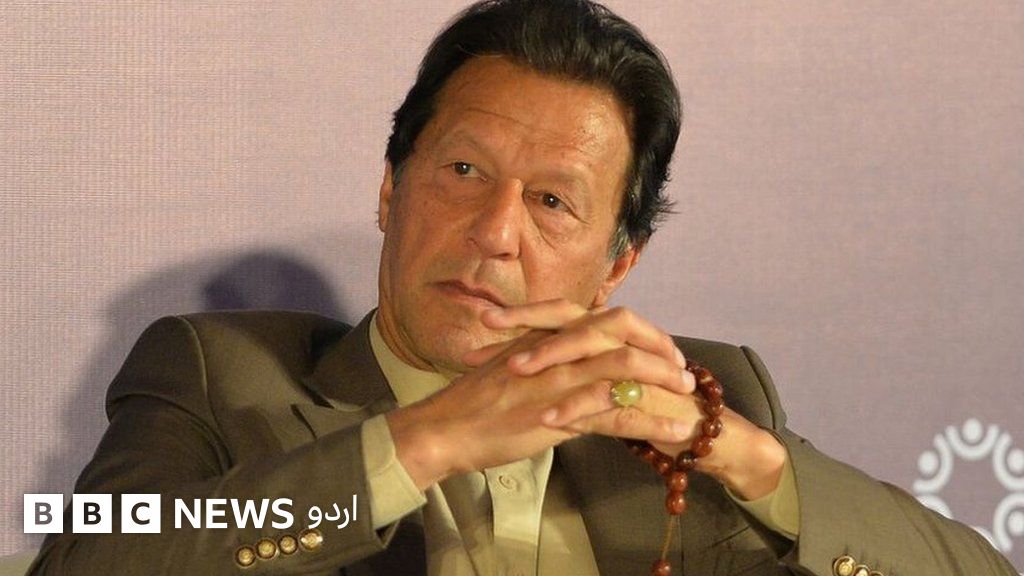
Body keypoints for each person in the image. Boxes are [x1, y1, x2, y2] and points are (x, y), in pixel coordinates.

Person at [28, 1, 1018, 575]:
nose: (495, 233)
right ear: (391, 189)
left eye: (551, 201)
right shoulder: (220, 370)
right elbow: (91, 555)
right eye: (462, 172)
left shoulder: (704, 400)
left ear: (617, 264)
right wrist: (427, 441)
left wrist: (749, 459)